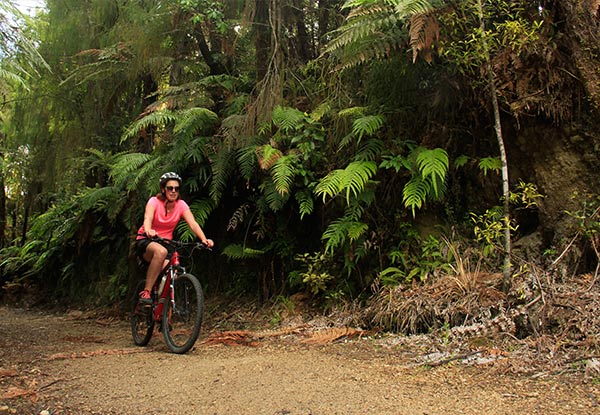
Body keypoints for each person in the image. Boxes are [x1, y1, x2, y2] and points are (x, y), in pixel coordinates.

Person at [135, 172, 214, 305]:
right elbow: (148, 218)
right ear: (163, 189)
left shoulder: (181, 205)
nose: (173, 191)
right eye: (170, 188)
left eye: (176, 189)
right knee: (161, 252)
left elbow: (193, 224)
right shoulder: (154, 202)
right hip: (147, 240)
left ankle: (164, 314)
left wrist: (204, 239)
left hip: (167, 243)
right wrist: (148, 230)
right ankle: (147, 291)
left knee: (171, 276)